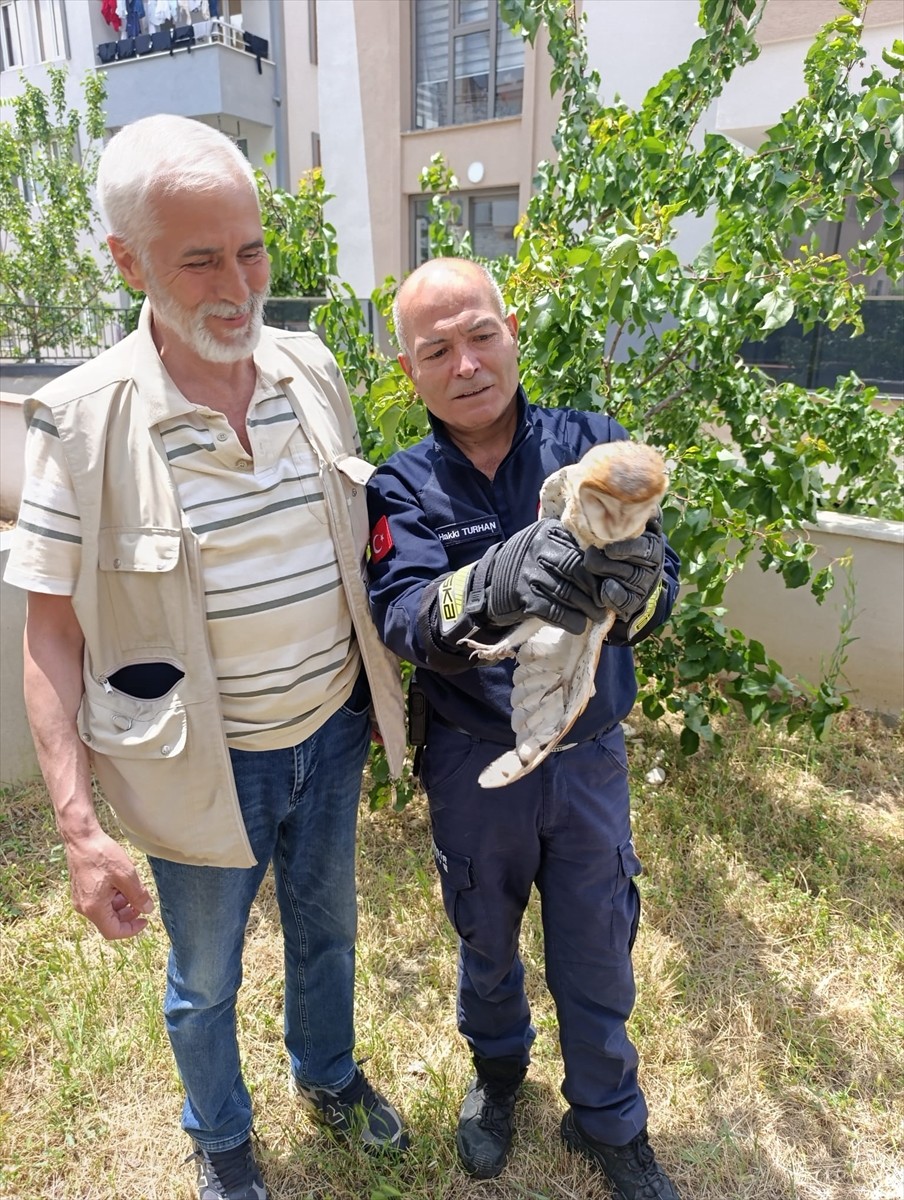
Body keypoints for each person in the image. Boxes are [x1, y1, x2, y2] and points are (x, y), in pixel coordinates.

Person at [3, 114, 409, 1200]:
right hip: (198, 762)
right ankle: (220, 1133)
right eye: (200, 258)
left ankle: (326, 1075)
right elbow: (51, 629)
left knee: (329, 934)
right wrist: (81, 830)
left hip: (328, 733)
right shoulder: (78, 420)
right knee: (206, 973)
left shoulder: (312, 369)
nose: (239, 285)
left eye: (252, 248)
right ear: (126, 260)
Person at [365, 257, 682, 1200]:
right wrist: (492, 584)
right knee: (486, 939)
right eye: (437, 350)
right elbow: (403, 616)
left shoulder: (592, 445)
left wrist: (641, 592)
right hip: (474, 762)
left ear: (511, 332)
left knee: (596, 939)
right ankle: (499, 1079)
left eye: (481, 335)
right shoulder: (404, 484)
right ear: (410, 371)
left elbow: (663, 589)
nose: (466, 364)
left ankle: (608, 1118)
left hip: (587, 758)